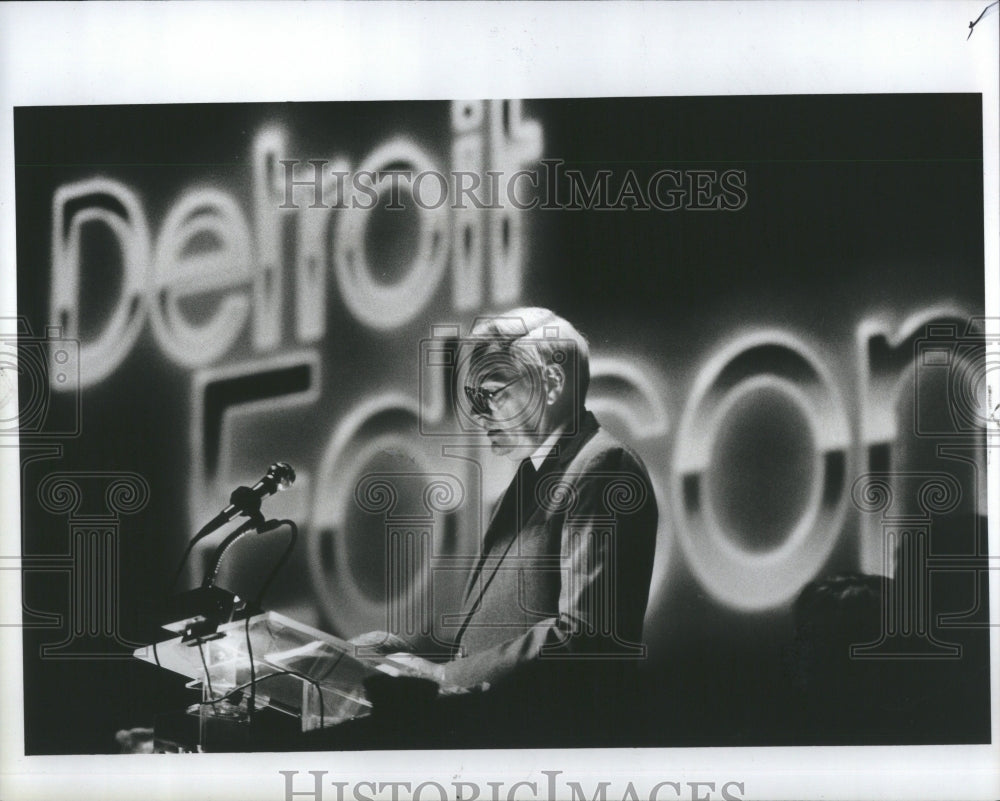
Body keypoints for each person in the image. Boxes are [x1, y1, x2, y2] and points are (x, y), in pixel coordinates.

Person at [353, 307, 658, 721]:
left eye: (491, 393)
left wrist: (441, 677)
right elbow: (492, 627)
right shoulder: (530, 479)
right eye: (472, 399)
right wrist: (410, 651)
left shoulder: (602, 465)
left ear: (551, 382)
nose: (477, 415)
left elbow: (585, 638)